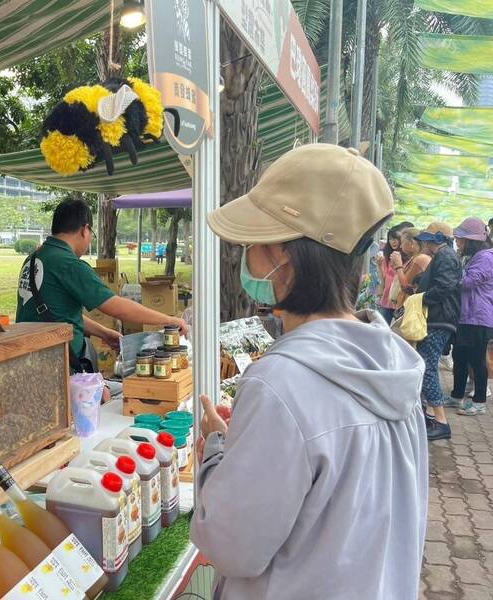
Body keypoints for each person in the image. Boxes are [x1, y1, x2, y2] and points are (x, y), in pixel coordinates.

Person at [191, 144, 427, 600]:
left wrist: (217, 452)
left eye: (257, 241)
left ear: (289, 257)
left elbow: (230, 547)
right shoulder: (396, 366)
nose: (249, 255)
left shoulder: (280, 383)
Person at [16, 199, 188, 372]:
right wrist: (169, 320)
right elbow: (116, 307)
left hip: (29, 360)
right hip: (58, 367)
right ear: (85, 230)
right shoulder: (68, 263)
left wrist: (104, 333)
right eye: (92, 234)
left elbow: (58, 315)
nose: (90, 239)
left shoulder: (33, 259)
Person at [413, 222, 462, 441]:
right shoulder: (446, 256)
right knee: (427, 365)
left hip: (439, 319)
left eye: (427, 239)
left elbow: (445, 286)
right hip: (438, 318)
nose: (424, 243)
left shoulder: (445, 256)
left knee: (428, 367)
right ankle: (432, 416)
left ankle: (441, 422)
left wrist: (421, 298)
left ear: (439, 239)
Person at [448, 218, 493, 415]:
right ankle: (457, 395)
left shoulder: (485, 257)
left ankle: (479, 402)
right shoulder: (475, 256)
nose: (457, 242)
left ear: (471, 240)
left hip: (478, 317)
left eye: (460, 239)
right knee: (459, 356)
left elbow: (469, 282)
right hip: (467, 317)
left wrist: (451, 272)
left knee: (476, 360)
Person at [392, 227, 432, 309]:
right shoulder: (414, 258)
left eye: (402, 242)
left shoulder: (420, 259)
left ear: (411, 243)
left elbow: (405, 286)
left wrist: (398, 266)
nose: (400, 246)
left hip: (409, 306)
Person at [376, 227, 402, 323]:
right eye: (390, 239)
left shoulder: (406, 257)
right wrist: (378, 266)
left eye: (395, 239)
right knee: (382, 325)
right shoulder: (387, 256)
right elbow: (383, 278)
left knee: (398, 330)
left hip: (399, 298)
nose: (393, 242)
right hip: (387, 297)